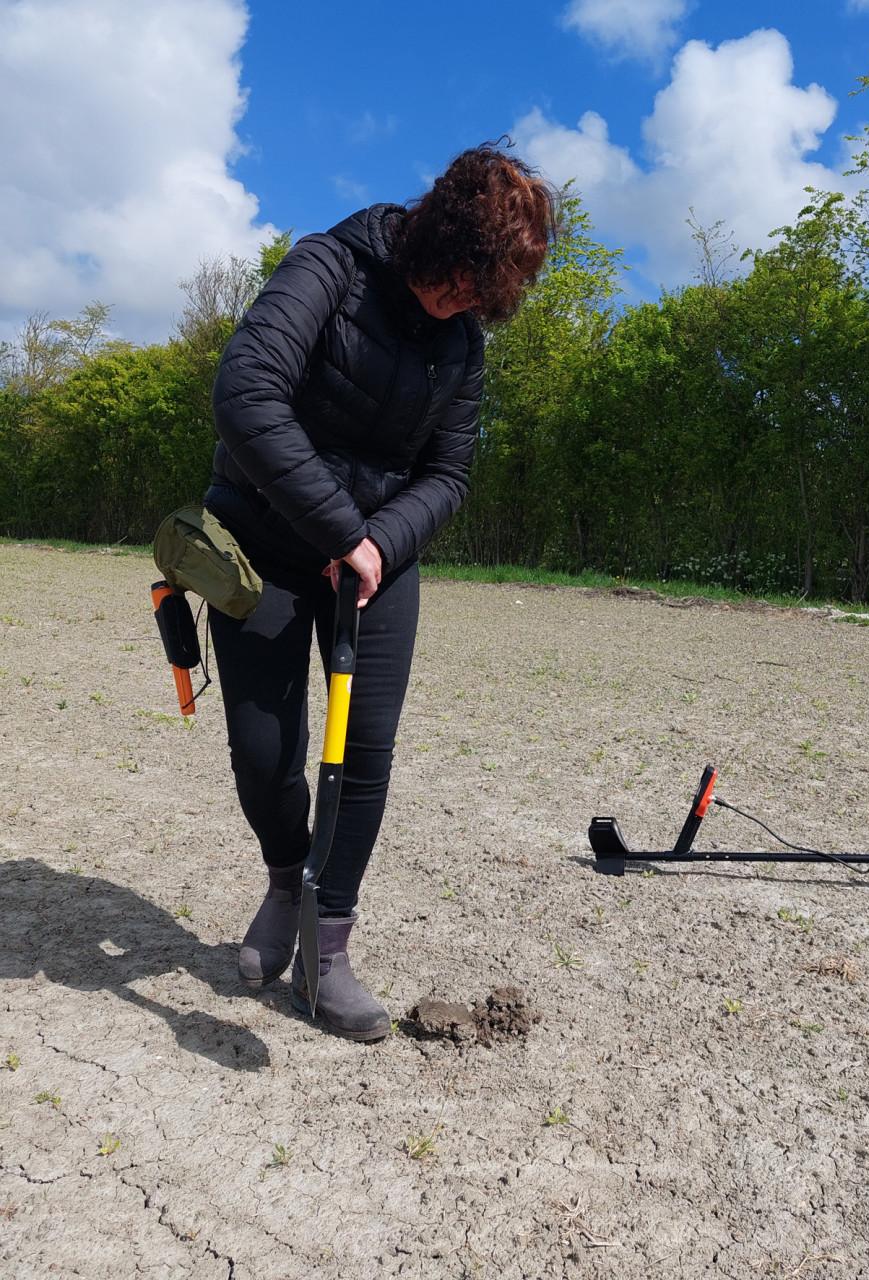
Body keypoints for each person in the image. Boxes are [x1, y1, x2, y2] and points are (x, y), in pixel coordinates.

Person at [203, 142, 557, 1041]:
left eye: (484, 295)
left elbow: (448, 474)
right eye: (462, 280)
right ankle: (285, 879)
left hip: (373, 568)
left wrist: (377, 545)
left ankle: (327, 947)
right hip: (265, 546)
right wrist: (340, 530)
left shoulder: (463, 345)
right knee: (264, 752)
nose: (466, 302)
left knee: (364, 754)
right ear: (437, 234)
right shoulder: (328, 267)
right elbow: (246, 393)